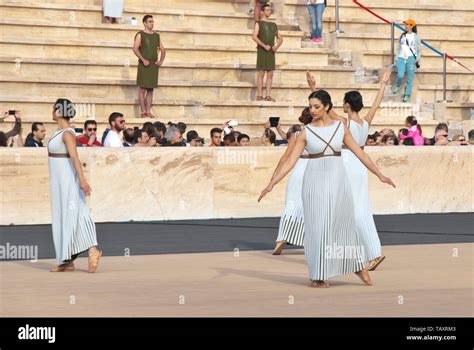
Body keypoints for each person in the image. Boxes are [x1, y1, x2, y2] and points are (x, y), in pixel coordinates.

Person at [259, 90, 395, 288]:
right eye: (311, 106)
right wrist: (271, 184)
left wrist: (380, 174)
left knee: (344, 225)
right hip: (313, 184)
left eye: (317, 106)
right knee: (317, 228)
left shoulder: (341, 128)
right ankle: (317, 276)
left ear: (327, 107)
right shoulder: (306, 132)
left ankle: (357, 264)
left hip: (339, 182)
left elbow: (360, 153)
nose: (313, 110)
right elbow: (290, 161)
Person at [47, 98, 101, 273]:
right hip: (59, 182)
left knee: (75, 214)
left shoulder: (67, 134)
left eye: (54, 108)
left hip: (68, 181)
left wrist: (83, 181)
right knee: (63, 216)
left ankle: (92, 250)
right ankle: (66, 261)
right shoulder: (59, 133)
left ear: (58, 112)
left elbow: (75, 158)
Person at [271, 107, 312, 255]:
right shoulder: (321, 133)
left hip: (300, 168)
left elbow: (286, 157)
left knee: (291, 203)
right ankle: (307, 239)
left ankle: (281, 239)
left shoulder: (297, 134)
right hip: (315, 169)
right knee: (310, 207)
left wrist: (275, 176)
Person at [133, 15, 166, 117]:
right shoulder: (140, 34)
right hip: (144, 64)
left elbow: (163, 49)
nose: (152, 23)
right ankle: (143, 112)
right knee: (142, 89)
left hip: (153, 65)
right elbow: (135, 48)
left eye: (153, 21)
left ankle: (148, 111)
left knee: (150, 89)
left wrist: (160, 61)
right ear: (145, 23)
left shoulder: (157, 36)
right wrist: (143, 60)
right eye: (150, 21)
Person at [252, 3, 283, 102]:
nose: (269, 12)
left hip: (270, 52)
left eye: (270, 10)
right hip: (262, 50)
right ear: (262, 12)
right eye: (267, 10)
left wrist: (276, 47)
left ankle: (268, 95)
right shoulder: (259, 23)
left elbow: (280, 38)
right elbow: (254, 36)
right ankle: (260, 95)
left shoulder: (273, 25)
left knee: (270, 74)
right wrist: (264, 45)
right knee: (261, 73)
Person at [391, 19, 422, 103]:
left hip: (411, 59)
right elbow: (398, 48)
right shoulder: (402, 36)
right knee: (400, 75)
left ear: (412, 26)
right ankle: (397, 85)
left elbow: (419, 50)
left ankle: (407, 94)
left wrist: (417, 59)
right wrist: (397, 57)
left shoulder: (415, 37)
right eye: (405, 24)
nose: (406, 26)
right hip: (401, 58)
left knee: (410, 79)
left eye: (407, 24)